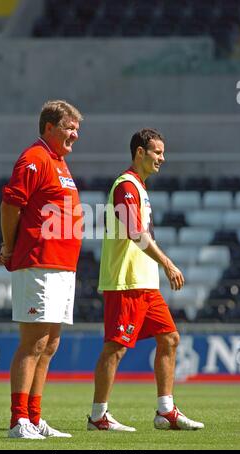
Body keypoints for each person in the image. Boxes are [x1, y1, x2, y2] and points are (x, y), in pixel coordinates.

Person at [88, 128, 204, 432]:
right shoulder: (126, 186)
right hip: (125, 282)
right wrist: (167, 262)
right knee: (116, 348)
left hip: (144, 283)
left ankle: (165, 411)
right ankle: (98, 416)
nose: (162, 158)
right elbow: (134, 232)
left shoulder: (139, 187)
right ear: (140, 152)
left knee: (170, 338)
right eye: (157, 152)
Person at [0, 100, 83, 439]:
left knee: (50, 345)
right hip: (38, 262)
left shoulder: (58, 161)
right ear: (50, 127)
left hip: (62, 265)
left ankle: (34, 417)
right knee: (33, 343)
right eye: (70, 127)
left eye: (77, 129)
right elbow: (10, 204)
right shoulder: (34, 158)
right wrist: (8, 247)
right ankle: (19, 420)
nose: (75, 134)